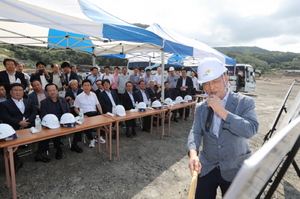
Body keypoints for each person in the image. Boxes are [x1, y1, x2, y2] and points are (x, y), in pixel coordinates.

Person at [187, 58, 259, 199]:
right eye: (206, 84)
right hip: (208, 166)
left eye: (215, 81)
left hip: (235, 166)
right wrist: (193, 154)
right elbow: (195, 132)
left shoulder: (245, 102)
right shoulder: (201, 107)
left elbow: (251, 130)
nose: (211, 87)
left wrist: (222, 112)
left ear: (226, 78)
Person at [0, 83, 37, 172]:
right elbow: (5, 117)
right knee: (7, 142)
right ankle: (16, 161)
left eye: (20, 90)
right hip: (14, 127)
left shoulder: (28, 101)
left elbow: (34, 112)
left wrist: (27, 122)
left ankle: (39, 154)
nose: (18, 92)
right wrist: (19, 122)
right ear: (10, 92)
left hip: (30, 124)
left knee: (46, 133)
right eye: (15, 90)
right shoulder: (4, 104)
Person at [74, 79, 105, 146]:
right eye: (85, 85)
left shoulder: (94, 94)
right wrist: (81, 115)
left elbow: (98, 104)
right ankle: (91, 139)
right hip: (86, 114)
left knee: (104, 121)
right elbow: (75, 108)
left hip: (95, 113)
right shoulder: (79, 97)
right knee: (85, 125)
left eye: (88, 85)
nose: (87, 87)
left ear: (91, 86)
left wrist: (102, 114)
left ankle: (99, 137)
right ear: (82, 86)